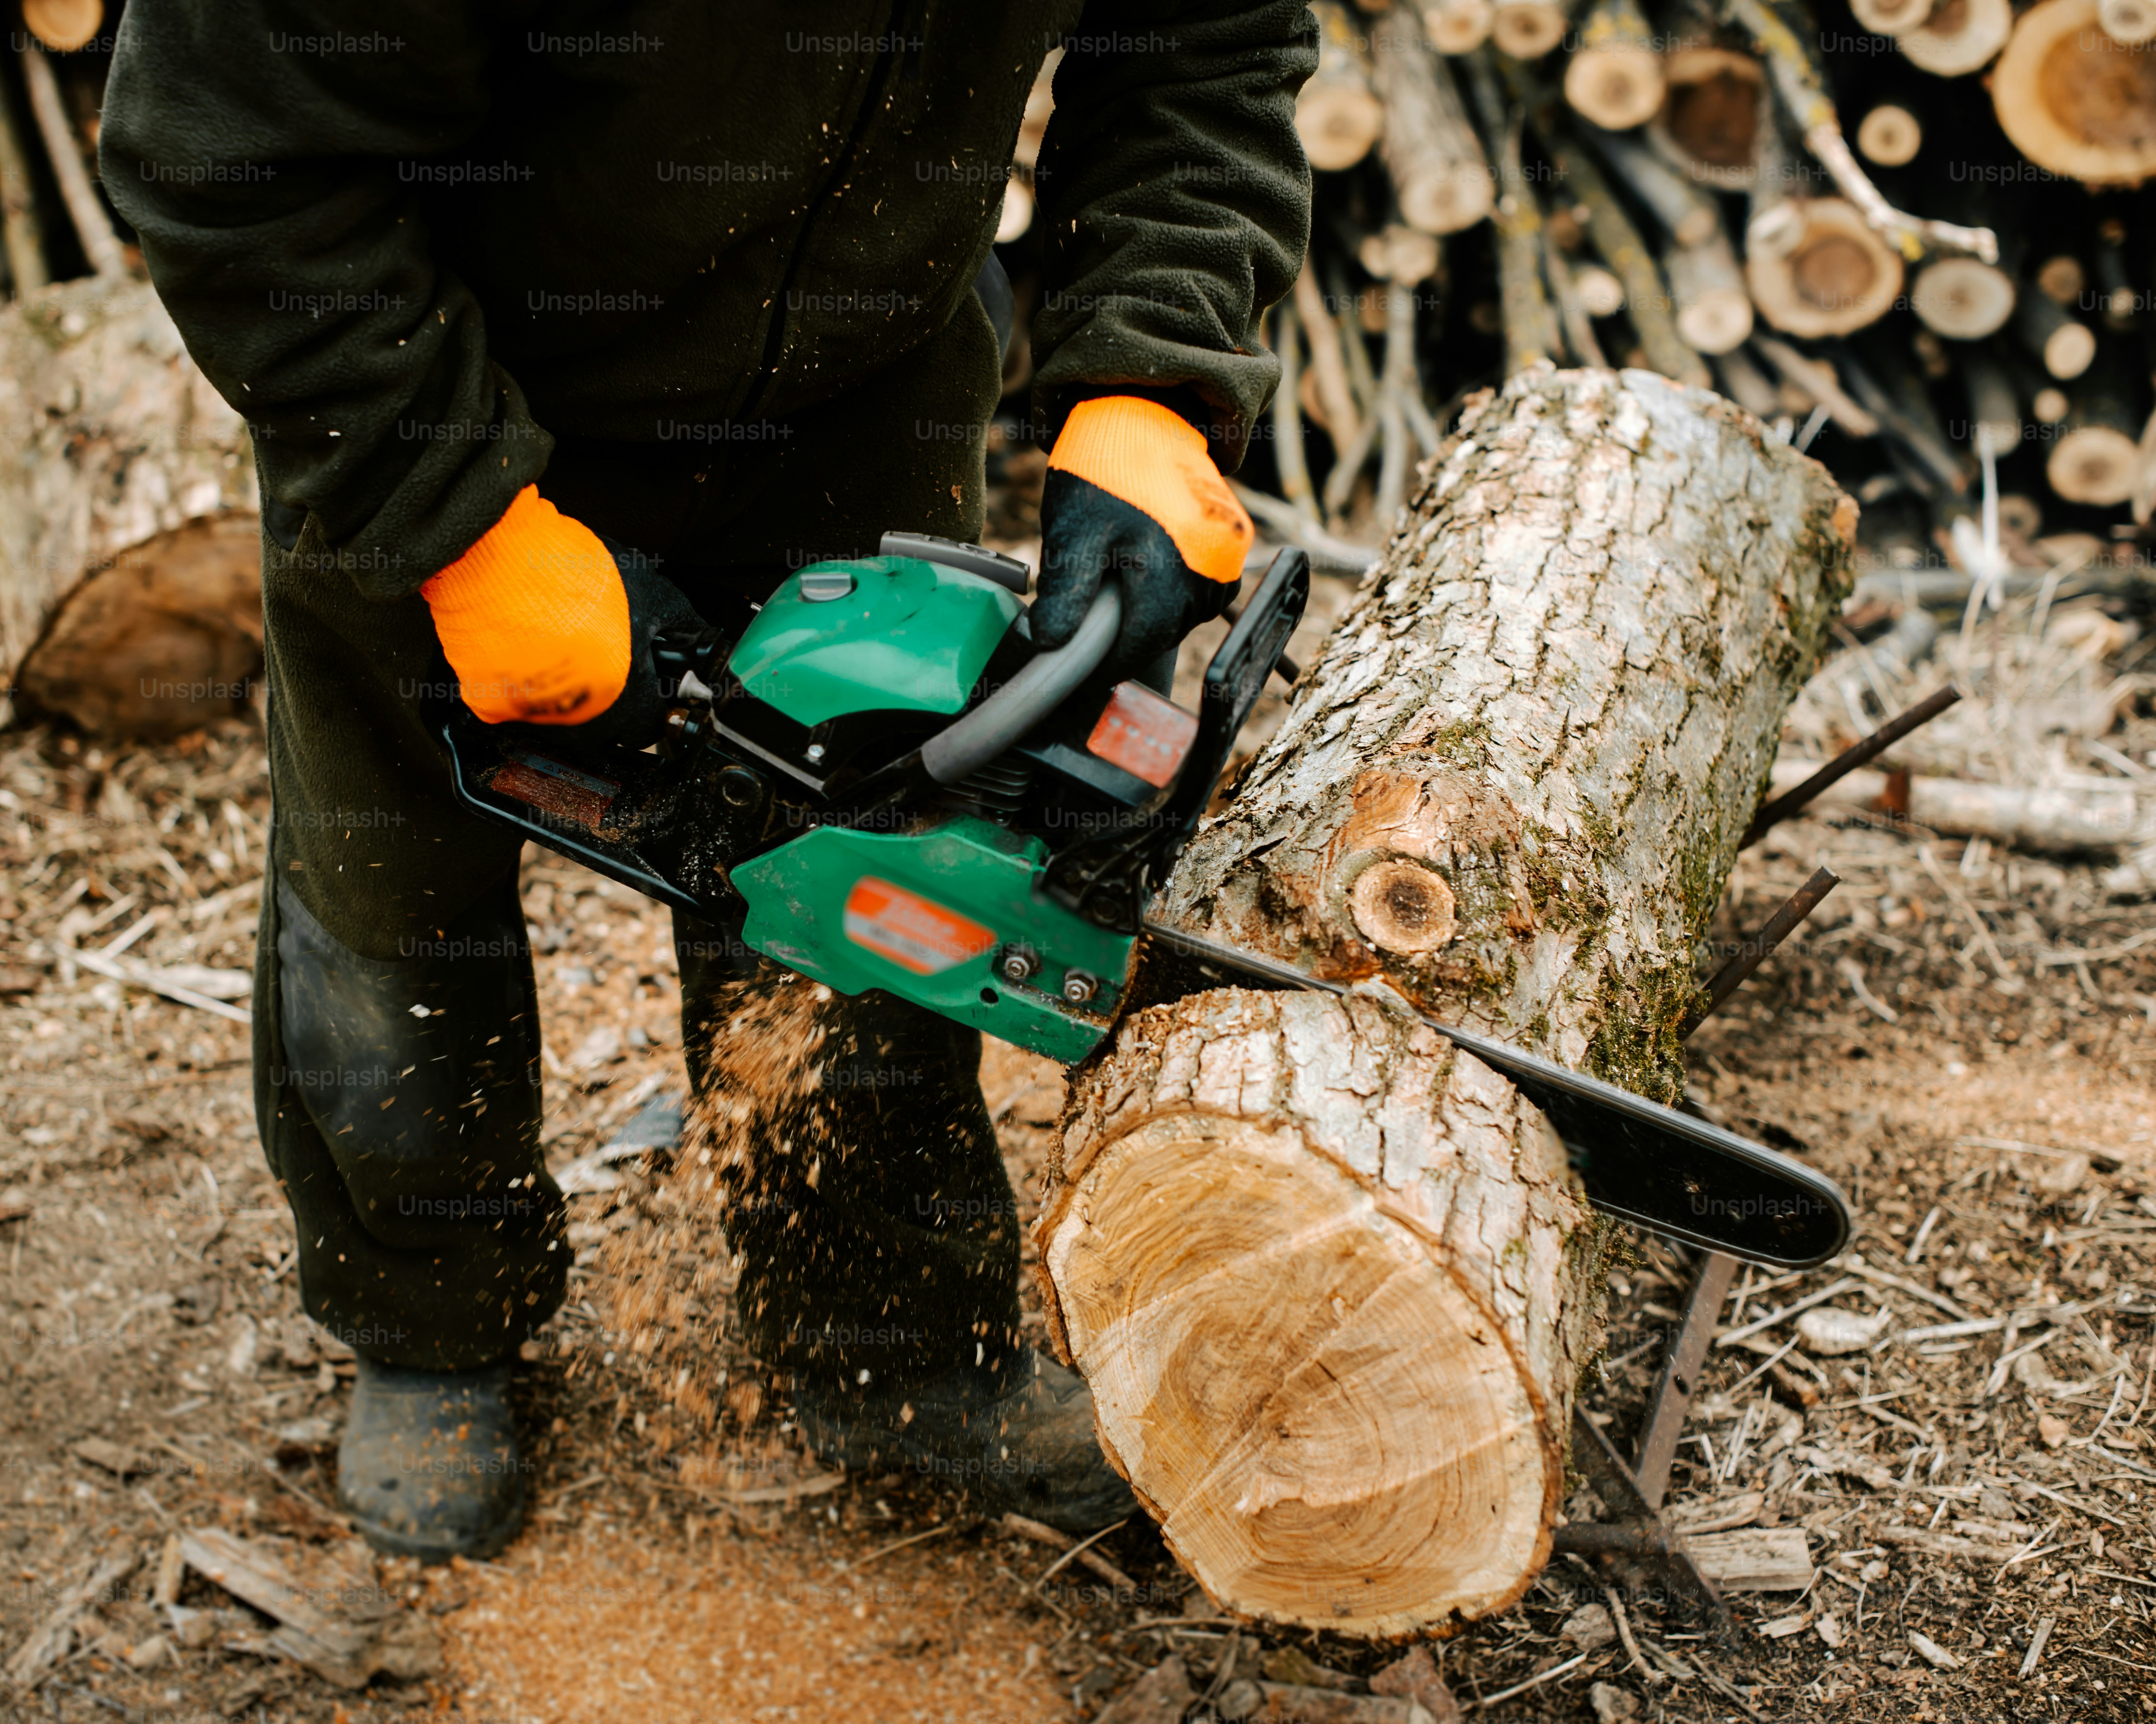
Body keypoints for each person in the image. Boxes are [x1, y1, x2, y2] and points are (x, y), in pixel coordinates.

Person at [100, 2, 1314, 1562]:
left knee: (894, 859)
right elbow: (223, 156)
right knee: (391, 888)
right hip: (431, 369)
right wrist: (454, 510)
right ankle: (431, 1316)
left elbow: (1207, 40)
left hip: (858, 370)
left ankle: (882, 1342)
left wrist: (1151, 374)